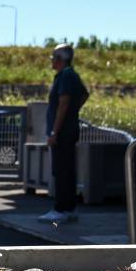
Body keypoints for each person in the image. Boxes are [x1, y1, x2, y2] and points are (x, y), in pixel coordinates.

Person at [38, 44, 89, 224]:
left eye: (53, 58)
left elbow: (64, 103)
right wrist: (74, 111)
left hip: (63, 131)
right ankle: (69, 207)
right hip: (69, 129)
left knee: (61, 170)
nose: (52, 61)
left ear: (60, 59)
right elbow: (84, 94)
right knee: (67, 169)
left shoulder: (65, 76)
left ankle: (60, 208)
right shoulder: (71, 75)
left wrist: (55, 131)